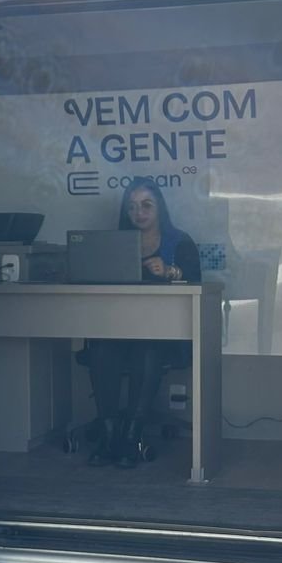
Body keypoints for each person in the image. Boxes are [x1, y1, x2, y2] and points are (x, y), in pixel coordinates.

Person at [85, 177, 201, 467]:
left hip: (165, 335)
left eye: (147, 205)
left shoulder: (180, 241)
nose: (139, 213)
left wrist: (171, 272)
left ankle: (133, 435)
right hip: (120, 329)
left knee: (148, 349)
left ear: (160, 207)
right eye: (132, 207)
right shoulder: (115, 245)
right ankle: (110, 433)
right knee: (100, 347)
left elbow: (198, 284)